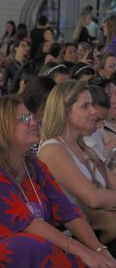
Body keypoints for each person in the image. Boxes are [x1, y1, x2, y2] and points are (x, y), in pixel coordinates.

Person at [0, 95, 116, 267]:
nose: (34, 123)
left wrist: (99, 250)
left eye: (31, 116)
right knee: (35, 246)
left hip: (34, 245)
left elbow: (68, 212)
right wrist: (85, 253)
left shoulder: (33, 165)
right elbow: (26, 223)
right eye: (24, 119)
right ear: (1, 127)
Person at [39, 80, 116, 255]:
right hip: (87, 240)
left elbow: (112, 182)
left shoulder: (83, 147)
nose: (94, 111)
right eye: (85, 106)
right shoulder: (52, 149)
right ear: (65, 111)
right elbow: (93, 198)